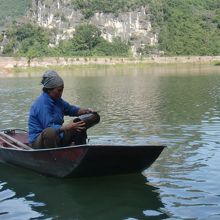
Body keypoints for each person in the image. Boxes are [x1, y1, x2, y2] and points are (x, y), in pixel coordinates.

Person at [28, 70, 92, 149]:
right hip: (39, 141)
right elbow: (48, 126)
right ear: (49, 90)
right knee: (50, 132)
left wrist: (86, 111)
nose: (61, 93)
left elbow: (70, 109)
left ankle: (80, 149)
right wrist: (67, 127)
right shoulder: (42, 104)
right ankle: (53, 156)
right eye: (59, 90)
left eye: (62, 89)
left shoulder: (58, 100)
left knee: (79, 124)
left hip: (58, 136)